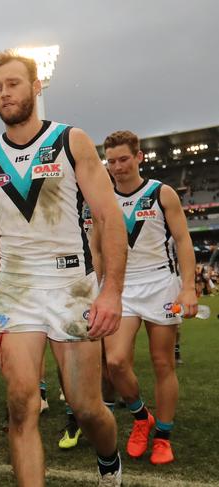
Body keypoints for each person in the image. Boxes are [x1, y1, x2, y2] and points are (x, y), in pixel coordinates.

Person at [0, 49, 126, 486]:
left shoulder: (69, 140)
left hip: (69, 287)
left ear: (36, 87)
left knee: (85, 406)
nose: (4, 94)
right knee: (21, 405)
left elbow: (109, 217)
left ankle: (109, 461)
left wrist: (110, 292)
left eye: (13, 84)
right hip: (16, 290)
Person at [102, 130, 197, 465]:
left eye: (124, 159)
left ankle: (164, 437)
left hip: (159, 283)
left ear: (139, 157)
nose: (117, 167)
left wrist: (188, 287)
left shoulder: (161, 193)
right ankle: (142, 417)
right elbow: (97, 249)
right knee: (114, 362)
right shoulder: (102, 197)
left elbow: (184, 241)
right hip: (122, 288)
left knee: (162, 362)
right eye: (111, 161)